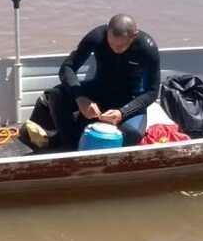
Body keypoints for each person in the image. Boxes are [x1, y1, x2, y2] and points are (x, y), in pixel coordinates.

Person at [36, 14, 161, 148]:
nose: (116, 50)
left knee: (132, 134)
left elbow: (152, 92)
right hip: (100, 90)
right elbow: (67, 68)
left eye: (122, 46)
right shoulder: (97, 37)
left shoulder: (147, 48)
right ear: (107, 32)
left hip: (129, 98)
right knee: (56, 94)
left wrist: (123, 112)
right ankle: (70, 146)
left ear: (134, 36)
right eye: (112, 44)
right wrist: (81, 98)